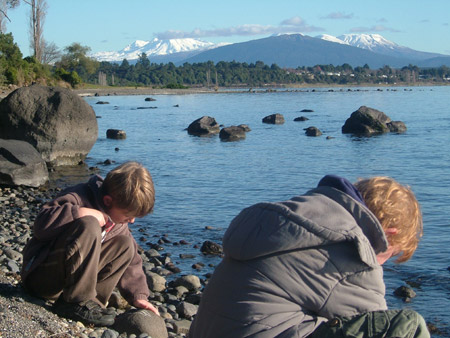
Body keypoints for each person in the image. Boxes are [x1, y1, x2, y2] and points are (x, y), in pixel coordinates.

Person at [188, 175, 429, 338]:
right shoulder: (353, 254)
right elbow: (375, 320)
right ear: (388, 234)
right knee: (405, 325)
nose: (382, 266)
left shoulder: (289, 223)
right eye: (389, 256)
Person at [21, 161, 159, 327]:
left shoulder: (117, 220)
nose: (132, 221)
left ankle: (91, 302)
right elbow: (41, 224)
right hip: (42, 278)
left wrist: (139, 296)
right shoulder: (78, 196)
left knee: (126, 243)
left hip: (67, 284)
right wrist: (78, 212)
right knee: (90, 225)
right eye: (128, 215)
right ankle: (77, 301)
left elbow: (133, 261)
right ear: (108, 201)